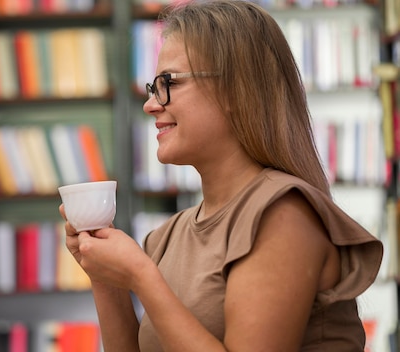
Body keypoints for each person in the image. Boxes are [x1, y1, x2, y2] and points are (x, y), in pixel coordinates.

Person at [58, 0, 384, 351]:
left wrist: (141, 276)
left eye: (168, 82)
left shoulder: (283, 214)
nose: (151, 105)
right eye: (153, 88)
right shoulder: (165, 239)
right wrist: (105, 277)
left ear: (235, 88)